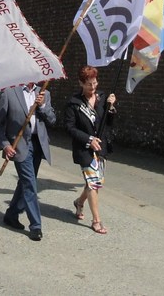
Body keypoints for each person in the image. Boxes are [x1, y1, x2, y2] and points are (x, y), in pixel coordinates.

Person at [0, 82, 56, 241]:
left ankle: (12, 214)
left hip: (37, 144)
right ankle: (36, 225)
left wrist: (42, 106)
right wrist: (5, 145)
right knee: (29, 184)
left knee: (25, 182)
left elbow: (52, 119)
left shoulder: (44, 93)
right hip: (19, 145)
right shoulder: (8, 92)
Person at [64, 66, 116, 235]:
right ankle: (97, 221)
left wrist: (112, 107)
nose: (92, 87)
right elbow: (69, 128)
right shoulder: (74, 103)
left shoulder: (102, 98)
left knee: (95, 183)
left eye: (94, 83)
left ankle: (79, 203)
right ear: (81, 83)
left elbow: (108, 123)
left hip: (101, 147)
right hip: (85, 148)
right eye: (88, 84)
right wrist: (88, 139)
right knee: (93, 183)